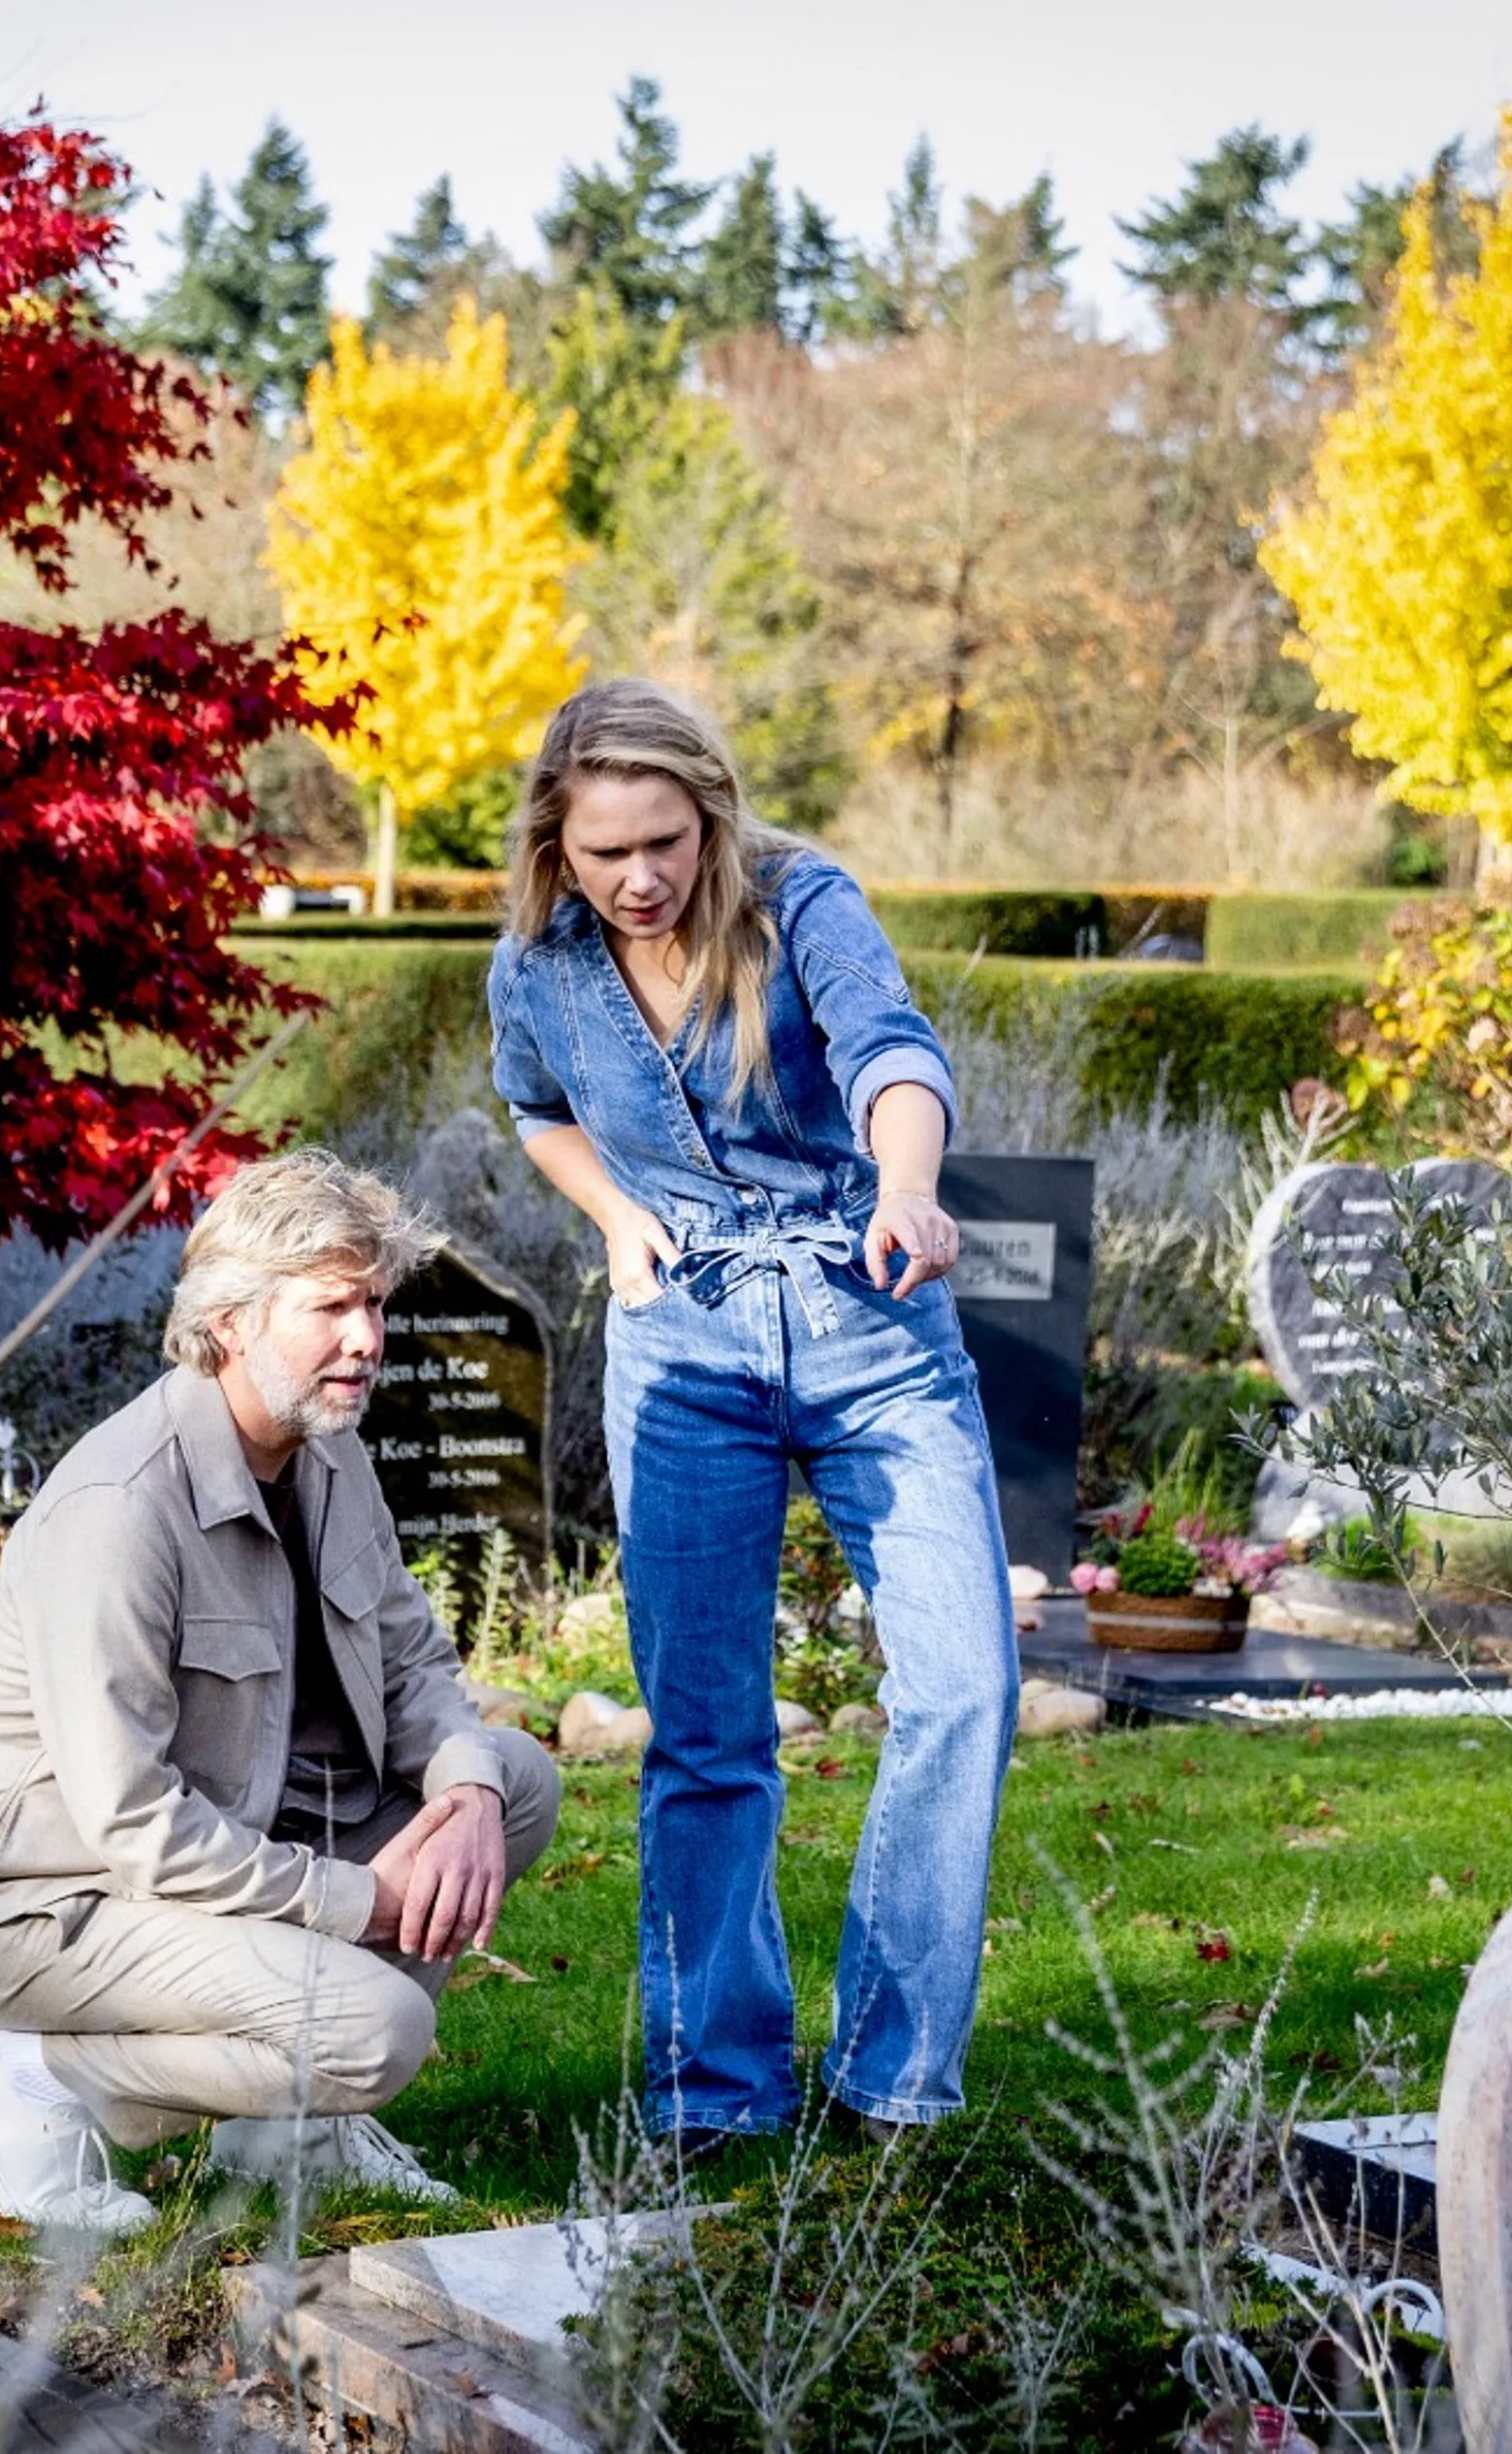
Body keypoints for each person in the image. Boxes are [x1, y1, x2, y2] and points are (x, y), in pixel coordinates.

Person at [488, 677, 1016, 2147]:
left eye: (665, 840)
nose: (641, 878)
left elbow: (895, 1053)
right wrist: (611, 1214)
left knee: (964, 1687)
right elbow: (535, 1105)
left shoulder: (803, 902)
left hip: (870, 1315)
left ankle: (891, 2077)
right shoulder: (537, 964)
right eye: (607, 853)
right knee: (708, 1732)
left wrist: (907, 1185)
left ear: (710, 815)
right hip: (686, 1345)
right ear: (558, 845)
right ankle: (714, 2087)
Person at [0, 1150, 564, 2234]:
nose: (367, 1338)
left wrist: (467, 1796)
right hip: (46, 1900)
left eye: (375, 1303)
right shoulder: (121, 1509)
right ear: (231, 1323)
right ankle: (34, 2078)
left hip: (241, 1826)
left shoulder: (328, 1450)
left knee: (513, 1782)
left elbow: (413, 1665)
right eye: (331, 1307)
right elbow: (131, 1822)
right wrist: (364, 1901)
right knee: (376, 2031)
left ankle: (288, 2128)